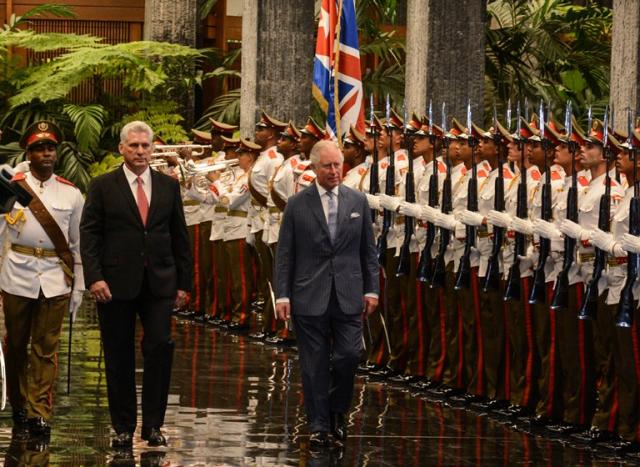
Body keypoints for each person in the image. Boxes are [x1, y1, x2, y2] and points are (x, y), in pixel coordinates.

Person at [80, 121, 192, 448]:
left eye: (145, 145)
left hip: (159, 282)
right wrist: (94, 276)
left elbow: (179, 237)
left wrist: (184, 283)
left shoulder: (168, 186)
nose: (140, 151)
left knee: (159, 347)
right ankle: (123, 427)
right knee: (118, 355)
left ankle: (154, 425)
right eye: (134, 146)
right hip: (115, 283)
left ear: (153, 148)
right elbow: (90, 235)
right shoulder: (103, 186)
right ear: (122, 149)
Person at [275, 140, 379, 447]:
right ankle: (319, 425)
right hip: (309, 294)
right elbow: (285, 253)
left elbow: (368, 251)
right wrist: (282, 295)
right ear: (314, 168)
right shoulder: (297, 204)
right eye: (327, 166)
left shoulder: (357, 201)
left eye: (338, 165)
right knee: (314, 363)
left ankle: (337, 413)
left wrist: (372, 289)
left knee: (348, 356)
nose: (334, 171)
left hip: (349, 293)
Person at [0, 120, 84, 439]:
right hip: (16, 274)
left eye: (50, 148)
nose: (46, 153)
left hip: (54, 277)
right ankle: (20, 402)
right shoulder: (11, 186)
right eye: (39, 148)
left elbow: (77, 245)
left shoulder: (72, 193)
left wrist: (79, 286)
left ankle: (39, 411)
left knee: (46, 348)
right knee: (17, 344)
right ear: (29, 153)